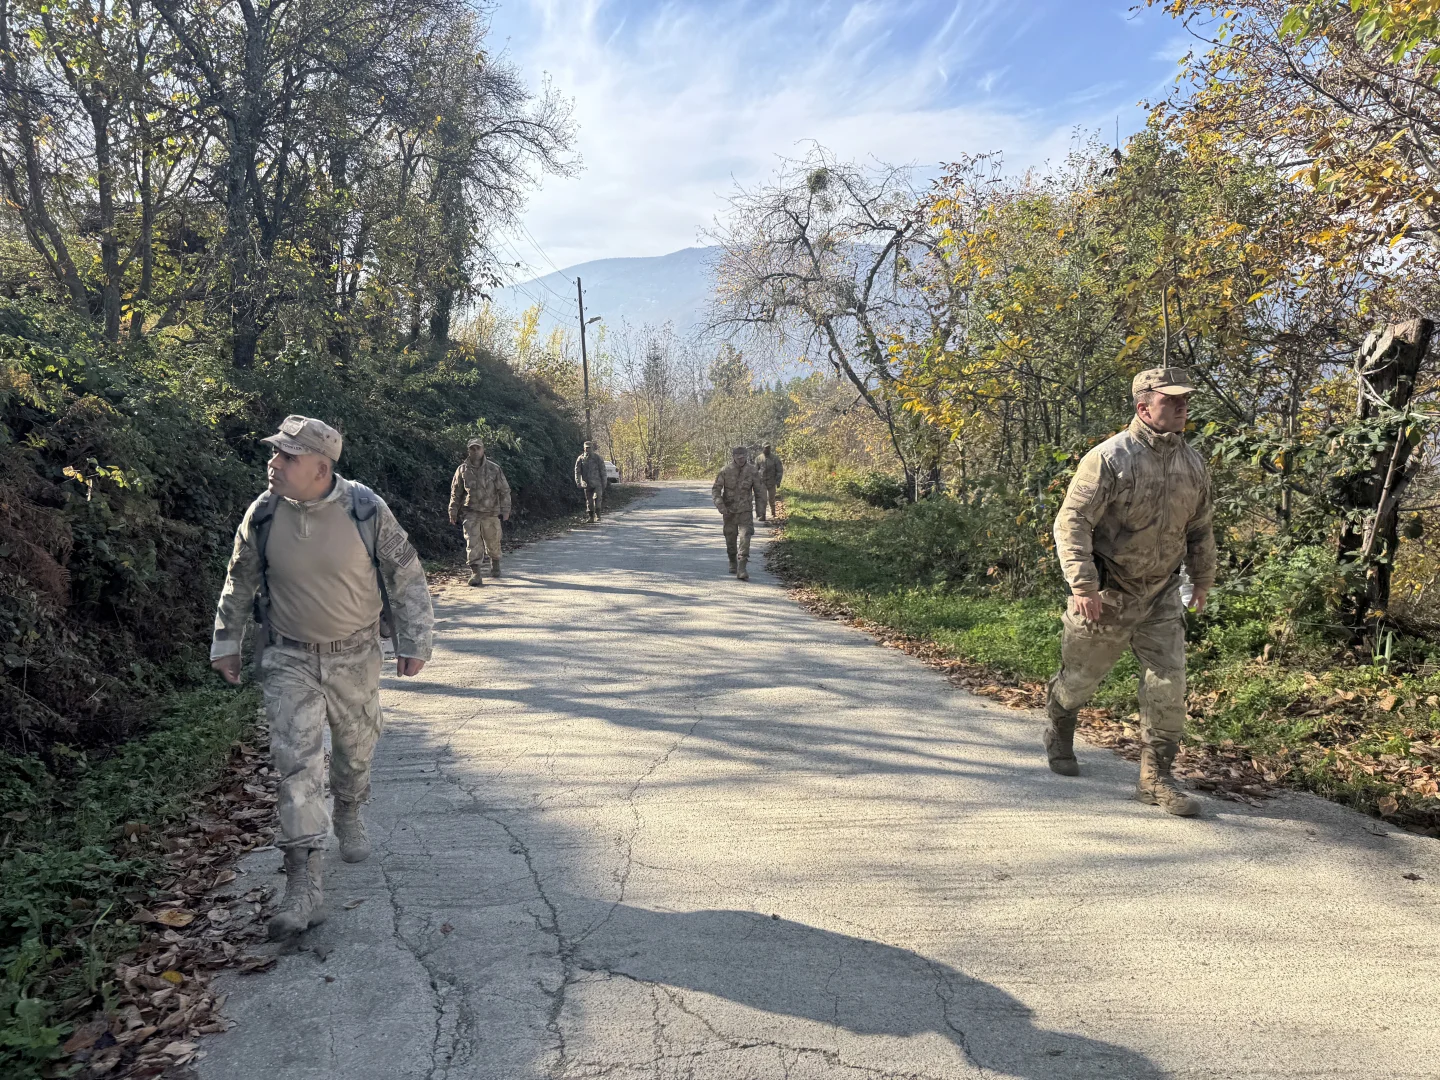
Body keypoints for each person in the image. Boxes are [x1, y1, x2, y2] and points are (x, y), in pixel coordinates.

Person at [210, 415, 434, 941]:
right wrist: (227, 642)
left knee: (356, 749)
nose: (274, 463)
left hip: (355, 655)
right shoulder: (263, 513)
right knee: (296, 768)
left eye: (286, 457)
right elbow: (238, 579)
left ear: (320, 467)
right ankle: (303, 882)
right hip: (288, 657)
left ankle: (350, 807)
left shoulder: (364, 508)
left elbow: (406, 572)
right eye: (275, 454)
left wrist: (414, 639)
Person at [1047, 367, 1216, 817]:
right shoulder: (1109, 458)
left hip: (1161, 593)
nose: (1182, 407)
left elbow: (1199, 528)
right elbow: (1073, 522)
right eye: (1171, 401)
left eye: (1185, 401)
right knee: (1080, 681)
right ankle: (1060, 721)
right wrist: (1084, 584)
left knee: (1169, 685)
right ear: (1144, 407)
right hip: (1109, 592)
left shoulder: (1193, 463)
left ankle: (1155, 779)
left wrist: (1201, 579)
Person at [449, 437, 511, 586]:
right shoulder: (462, 470)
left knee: (493, 541)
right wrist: (453, 510)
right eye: (472, 449)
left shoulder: (494, 468)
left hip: (490, 512)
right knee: (473, 543)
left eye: (478, 448)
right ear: (468, 451)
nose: (475, 451)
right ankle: (476, 573)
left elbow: (504, 490)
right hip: (471, 512)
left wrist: (506, 509)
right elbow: (456, 492)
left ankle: (495, 562)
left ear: (483, 450)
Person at [712, 445, 763, 581]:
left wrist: (760, 510)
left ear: (746, 455)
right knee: (730, 538)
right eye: (738, 456)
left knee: (745, 537)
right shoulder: (725, 471)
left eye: (743, 456)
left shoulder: (752, 471)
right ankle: (732, 561)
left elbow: (759, 492)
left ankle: (742, 568)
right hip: (729, 512)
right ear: (733, 456)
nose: (741, 458)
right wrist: (720, 505)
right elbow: (716, 490)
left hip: (745, 511)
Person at [574, 440, 608, 522]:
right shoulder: (581, 458)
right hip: (586, 483)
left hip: (597, 483)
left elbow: (603, 470)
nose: (588, 449)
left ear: (592, 448)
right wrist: (578, 482)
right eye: (586, 448)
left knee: (597, 498)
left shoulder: (597, 458)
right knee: (589, 501)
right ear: (584, 448)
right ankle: (591, 517)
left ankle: (598, 515)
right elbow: (577, 471)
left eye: (589, 448)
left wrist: (604, 482)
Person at [753, 442, 784, 522]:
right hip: (762, 482)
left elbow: (779, 470)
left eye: (768, 448)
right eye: (765, 448)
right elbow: (755, 471)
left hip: (772, 481)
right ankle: (762, 515)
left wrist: (778, 481)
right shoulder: (759, 458)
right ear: (763, 448)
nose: (767, 449)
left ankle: (773, 513)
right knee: (763, 499)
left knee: (771, 499)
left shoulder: (775, 458)